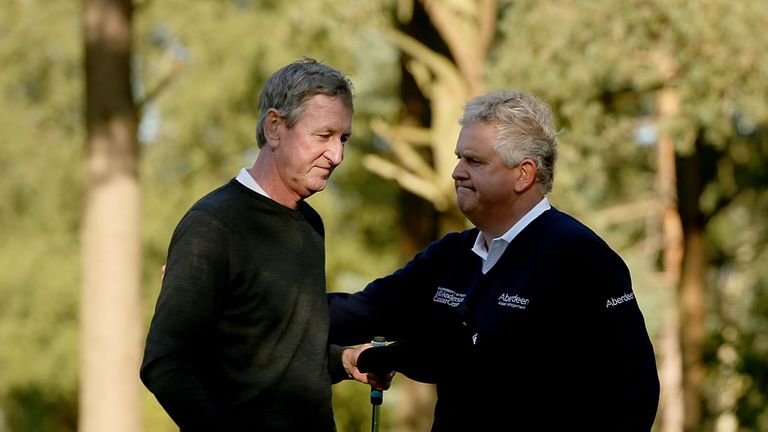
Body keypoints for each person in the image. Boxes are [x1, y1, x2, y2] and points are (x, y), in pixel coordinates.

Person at [329, 90, 661, 431]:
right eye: (459, 158)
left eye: (475, 161)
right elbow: (364, 311)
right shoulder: (451, 255)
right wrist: (281, 310)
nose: (457, 172)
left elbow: (634, 394)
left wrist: (394, 356)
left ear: (524, 174)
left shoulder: (579, 258)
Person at [140, 57, 380, 432]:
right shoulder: (212, 226)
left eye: (343, 138)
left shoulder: (310, 223)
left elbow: (276, 356)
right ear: (274, 127)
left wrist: (343, 361)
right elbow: (165, 362)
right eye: (323, 136)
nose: (337, 156)